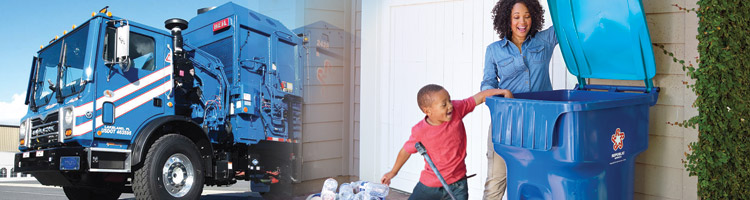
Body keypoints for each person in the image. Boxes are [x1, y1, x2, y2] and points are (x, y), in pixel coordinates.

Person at [380, 84, 513, 200]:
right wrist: (393, 172)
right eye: (444, 104)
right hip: (429, 186)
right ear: (428, 111)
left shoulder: (457, 109)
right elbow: (406, 151)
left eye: (449, 100)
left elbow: (479, 98)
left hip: (458, 185)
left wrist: (503, 92)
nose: (450, 106)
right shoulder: (420, 131)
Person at [481, 0, 559, 199]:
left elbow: (566, 24)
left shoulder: (545, 40)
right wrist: (501, 93)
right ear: (507, 19)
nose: (522, 22)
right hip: (505, 121)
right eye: (516, 17)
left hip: (540, 123)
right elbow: (487, 84)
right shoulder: (494, 50)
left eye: (527, 16)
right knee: (496, 180)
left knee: (537, 179)